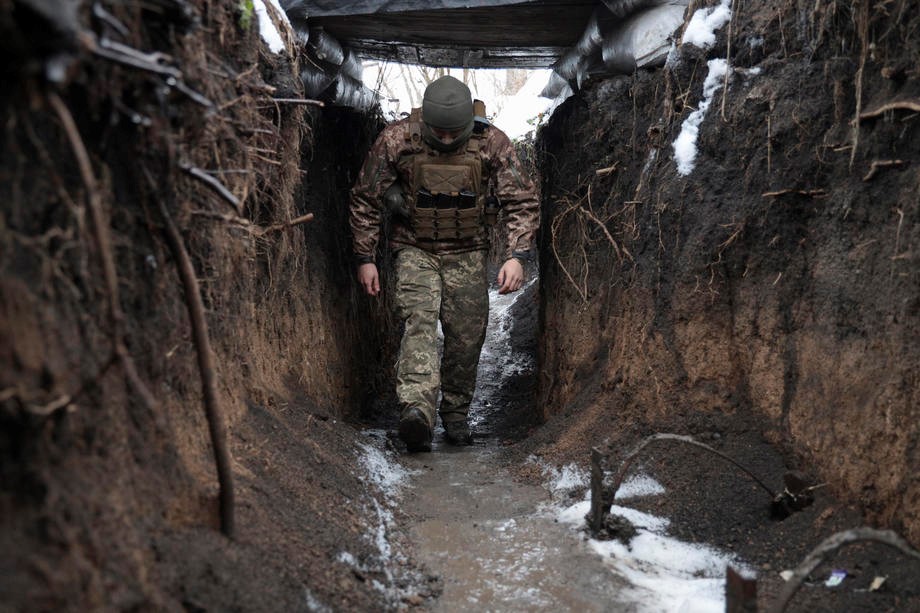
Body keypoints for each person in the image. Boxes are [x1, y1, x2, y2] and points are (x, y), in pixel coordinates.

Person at [349, 75, 539, 452]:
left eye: (455, 133)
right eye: (440, 133)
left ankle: (455, 413)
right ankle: (417, 412)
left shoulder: (492, 142)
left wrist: (516, 256)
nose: (448, 140)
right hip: (414, 248)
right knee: (418, 322)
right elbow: (365, 198)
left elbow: (521, 201)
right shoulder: (398, 140)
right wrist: (365, 257)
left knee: (466, 336)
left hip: (468, 252)